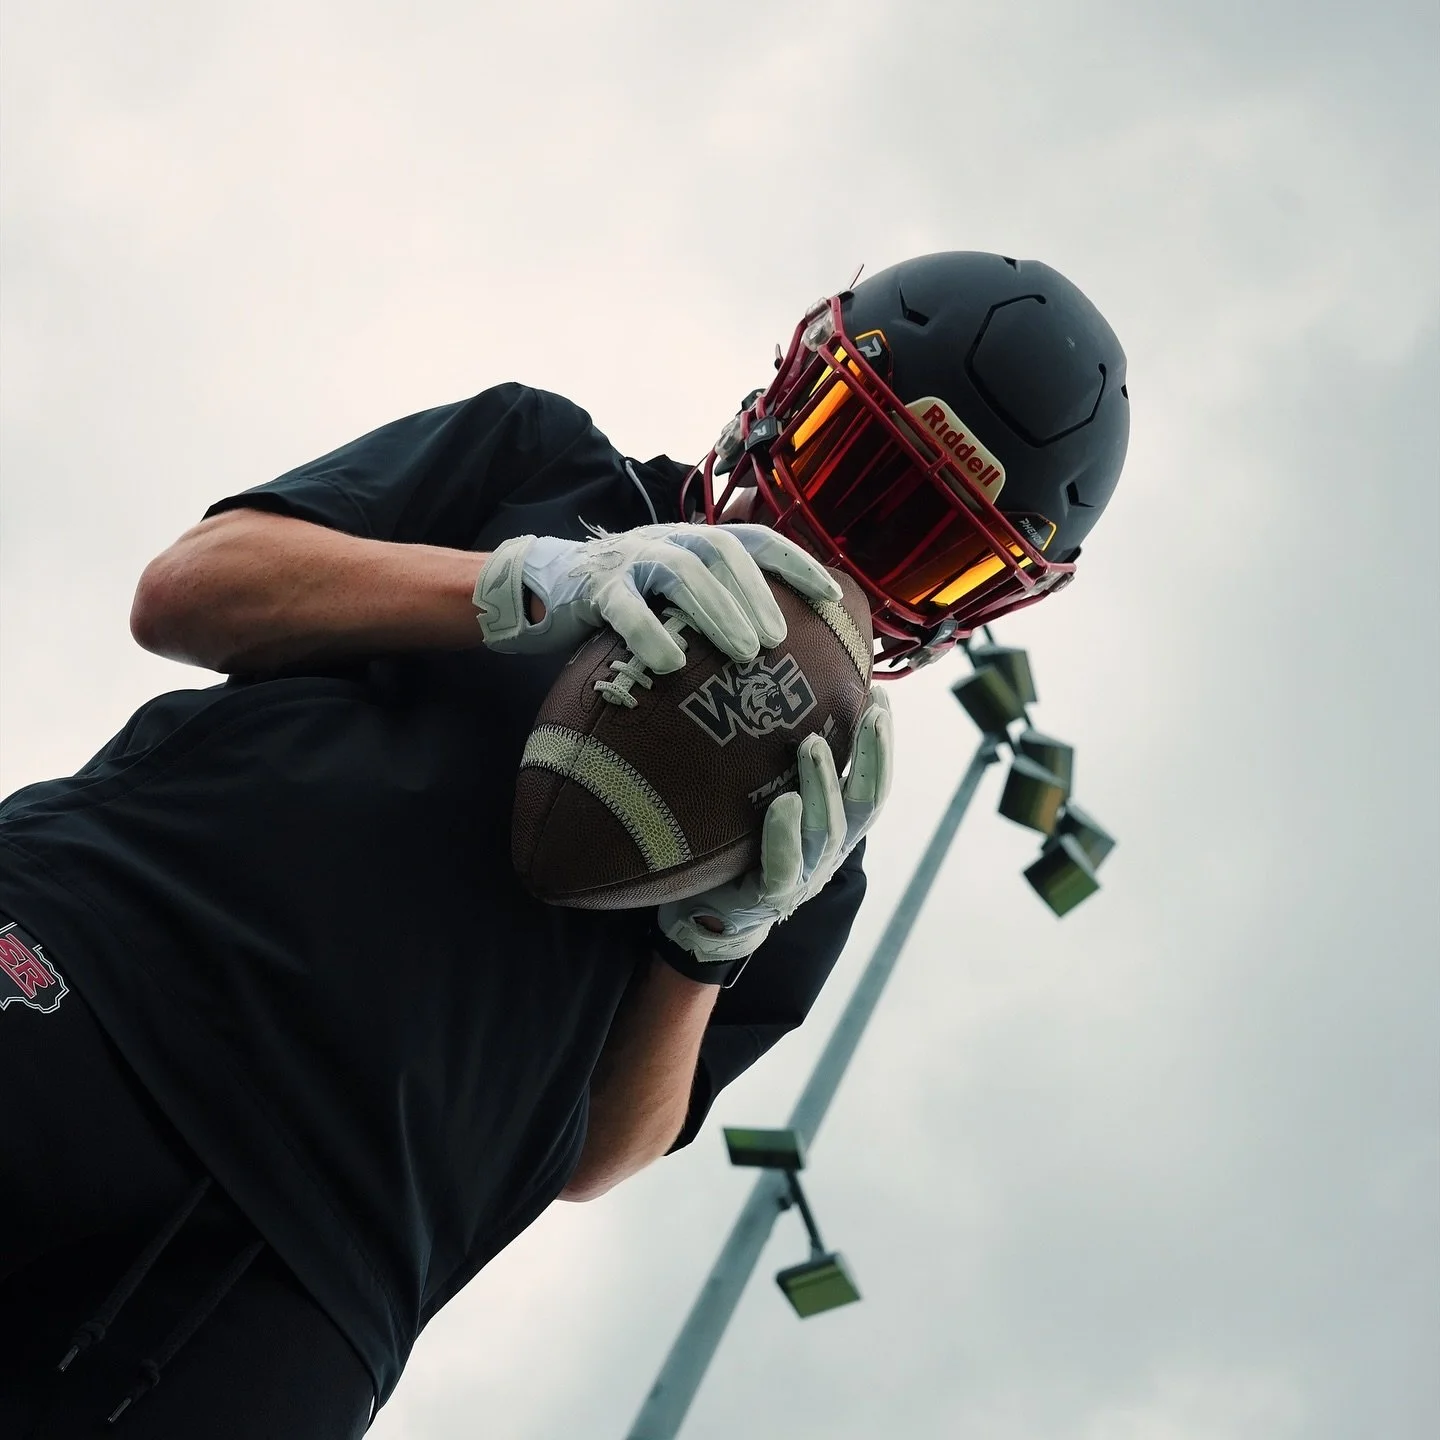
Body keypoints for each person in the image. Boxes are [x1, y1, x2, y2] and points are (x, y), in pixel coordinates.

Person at [0, 252, 1128, 1437]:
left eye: (926, 543)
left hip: (322, 1262)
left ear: (977, 598)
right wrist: (530, 582)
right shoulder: (543, 462)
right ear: (795, 394)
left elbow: (604, 1149)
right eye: (856, 461)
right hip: (101, 966)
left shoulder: (823, 828)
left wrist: (709, 945)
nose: (851, 540)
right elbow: (186, 590)